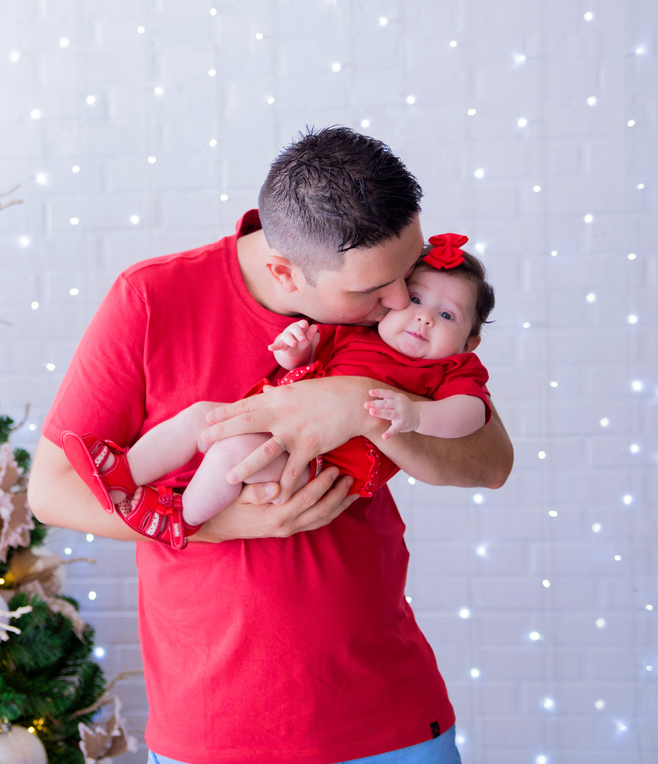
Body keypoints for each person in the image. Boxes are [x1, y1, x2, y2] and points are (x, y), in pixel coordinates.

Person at [28, 127, 513, 764]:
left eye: (408, 272)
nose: (401, 302)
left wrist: (358, 406)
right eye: (374, 290)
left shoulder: (404, 317)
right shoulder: (150, 299)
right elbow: (51, 492)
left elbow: (490, 463)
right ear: (285, 272)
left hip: (386, 716)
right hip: (215, 726)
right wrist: (217, 525)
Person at [60, 233, 496, 537]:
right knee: (199, 418)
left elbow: (471, 415)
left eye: (446, 315)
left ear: (469, 342)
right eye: (416, 299)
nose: (422, 317)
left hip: (324, 462)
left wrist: (417, 414)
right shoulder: (359, 327)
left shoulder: (451, 369)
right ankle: (123, 475)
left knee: (231, 453)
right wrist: (295, 352)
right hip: (274, 422)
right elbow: (312, 360)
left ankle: (181, 519)